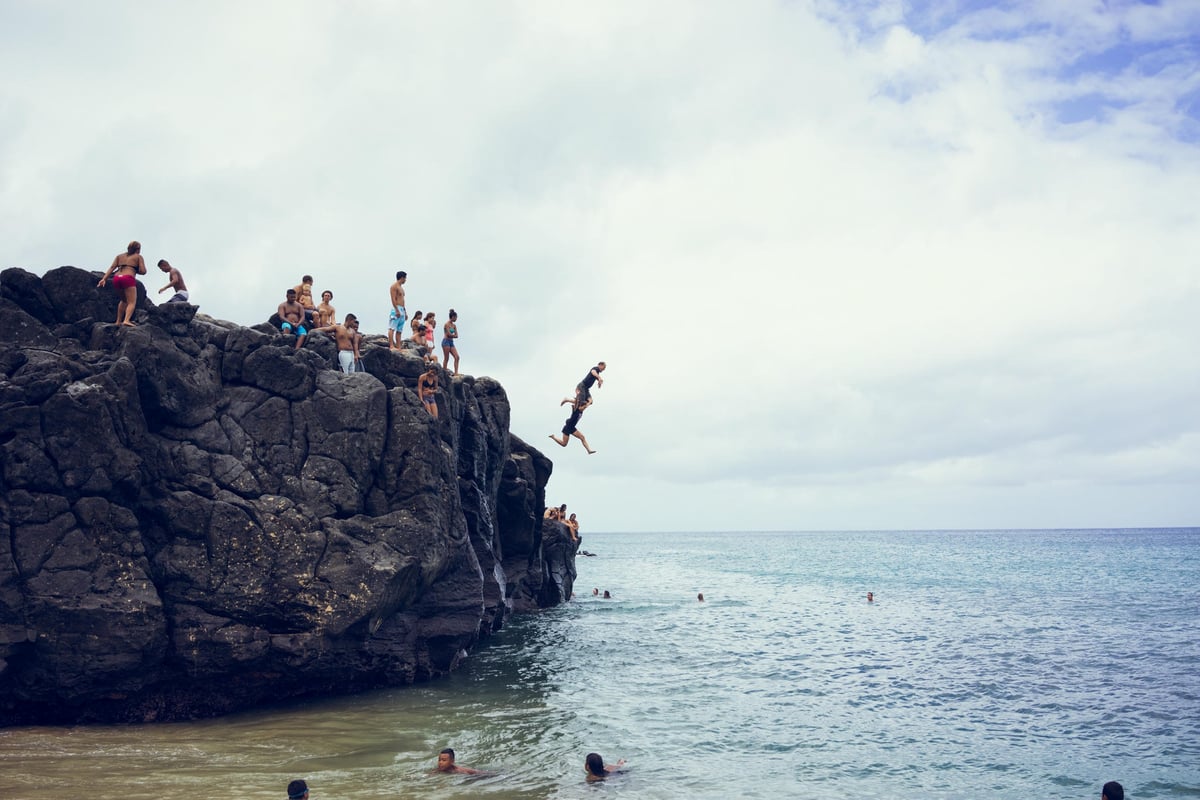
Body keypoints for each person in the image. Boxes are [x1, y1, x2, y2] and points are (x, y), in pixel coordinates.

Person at [97, 240, 147, 326]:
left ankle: (118, 321)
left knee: (124, 300)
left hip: (116, 278)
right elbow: (143, 271)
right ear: (137, 249)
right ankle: (126, 320)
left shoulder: (119, 256)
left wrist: (104, 279)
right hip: (128, 278)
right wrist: (134, 269)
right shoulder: (138, 257)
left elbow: (112, 267)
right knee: (131, 302)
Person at [388, 271, 407, 350]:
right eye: (405, 278)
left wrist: (405, 312)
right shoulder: (394, 286)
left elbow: (403, 300)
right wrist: (396, 310)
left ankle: (398, 346)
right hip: (396, 308)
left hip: (402, 309)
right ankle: (391, 345)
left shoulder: (401, 288)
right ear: (402, 278)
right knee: (392, 328)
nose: (405, 280)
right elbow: (393, 299)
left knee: (399, 329)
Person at [442, 309, 459, 375]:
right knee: (446, 358)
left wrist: (453, 335)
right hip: (446, 341)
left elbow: (457, 335)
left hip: (451, 342)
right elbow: (448, 334)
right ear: (452, 317)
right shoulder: (446, 324)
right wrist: (453, 335)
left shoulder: (454, 326)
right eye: (455, 317)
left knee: (457, 357)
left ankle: (456, 373)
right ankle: (444, 371)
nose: (456, 318)